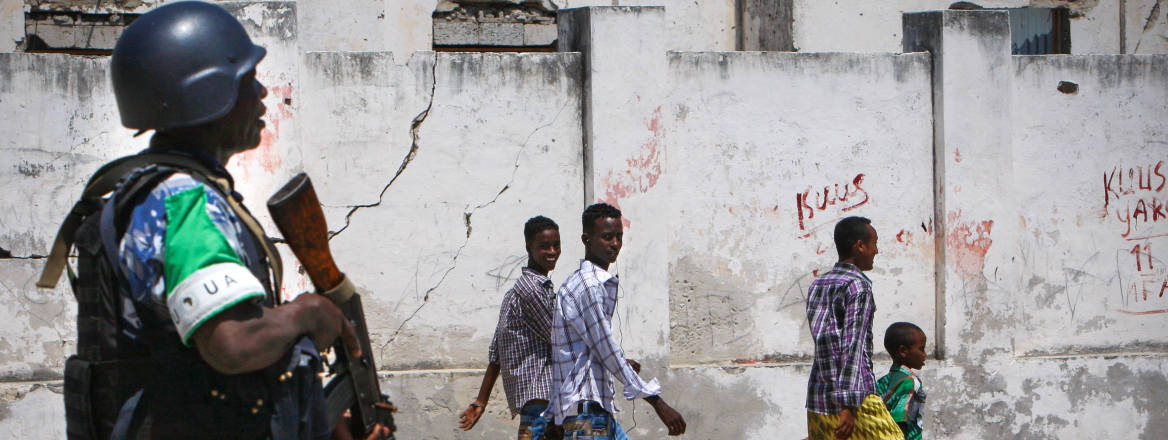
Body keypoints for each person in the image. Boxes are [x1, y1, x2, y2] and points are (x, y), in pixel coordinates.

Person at [43, 2, 390, 439]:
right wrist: (307, 313)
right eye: (248, 81)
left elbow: (196, 372)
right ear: (207, 93)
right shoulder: (186, 201)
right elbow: (233, 343)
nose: (262, 94)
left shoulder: (139, 194)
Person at [541, 203, 687, 439]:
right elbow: (606, 348)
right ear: (586, 239)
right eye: (607, 237)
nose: (615, 244)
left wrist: (620, 361)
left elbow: (591, 348)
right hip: (585, 414)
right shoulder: (589, 287)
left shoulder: (584, 282)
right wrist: (658, 403)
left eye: (619, 237)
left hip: (594, 410)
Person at [458, 216, 564, 439]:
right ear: (529, 247)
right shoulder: (533, 291)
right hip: (544, 401)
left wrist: (480, 401)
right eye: (544, 246)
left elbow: (496, 353)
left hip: (534, 405)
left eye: (556, 245)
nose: (552, 251)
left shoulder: (515, 293)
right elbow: (562, 340)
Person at [805, 216, 901, 440]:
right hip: (854, 399)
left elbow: (826, 344)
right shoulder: (857, 285)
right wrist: (847, 406)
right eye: (873, 243)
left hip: (819, 396)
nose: (876, 250)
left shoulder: (819, 283)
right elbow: (852, 346)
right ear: (859, 246)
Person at [875, 323, 928, 440]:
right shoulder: (909, 382)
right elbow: (901, 419)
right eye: (921, 349)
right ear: (903, 351)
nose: (924, 354)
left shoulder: (883, 381)